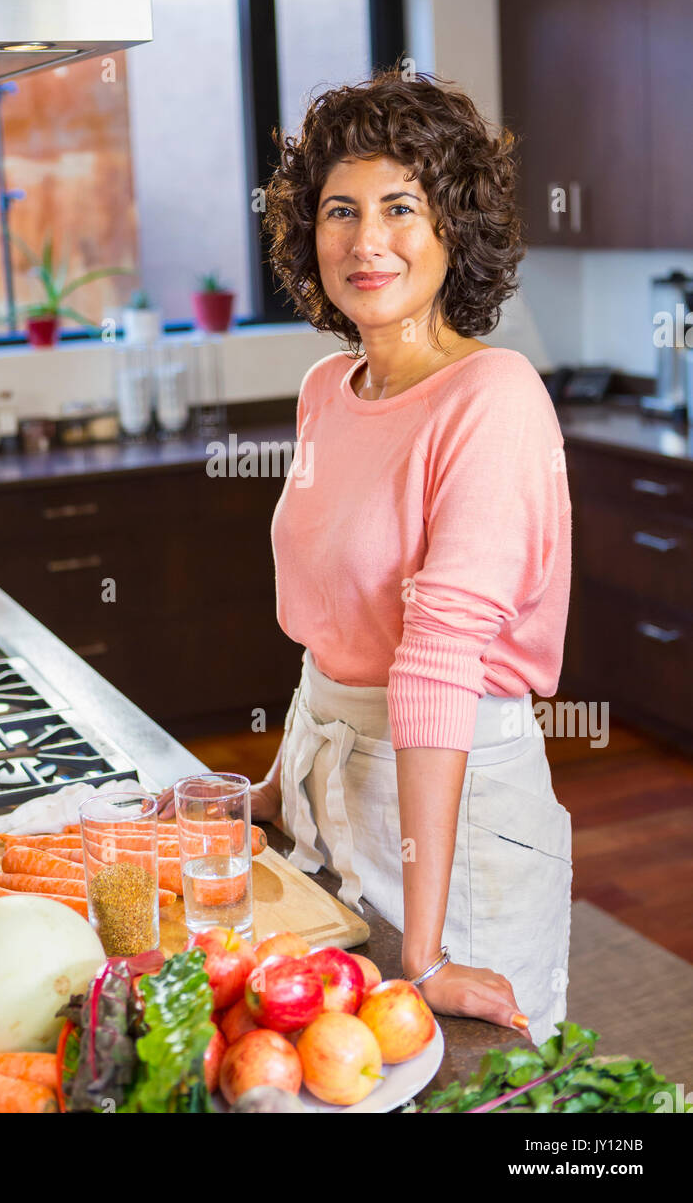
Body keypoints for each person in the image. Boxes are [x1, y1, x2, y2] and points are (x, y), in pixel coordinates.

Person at [251, 66, 573, 1046]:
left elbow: (433, 666)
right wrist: (273, 787)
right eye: (339, 210)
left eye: (400, 205)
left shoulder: (493, 397)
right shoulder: (324, 387)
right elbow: (334, 636)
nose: (366, 239)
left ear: (451, 228)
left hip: (454, 815)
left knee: (469, 1092)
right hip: (328, 801)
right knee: (344, 1074)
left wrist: (423, 954)